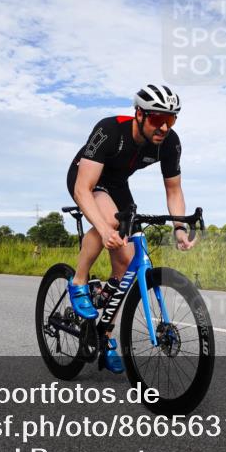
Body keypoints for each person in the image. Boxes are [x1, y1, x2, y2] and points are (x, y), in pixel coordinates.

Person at [65, 84, 197, 373]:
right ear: (138, 114)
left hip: (116, 184)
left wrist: (179, 228)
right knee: (112, 221)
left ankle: (105, 336)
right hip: (86, 178)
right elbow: (82, 189)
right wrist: (103, 228)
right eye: (156, 119)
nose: (163, 126)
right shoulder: (111, 130)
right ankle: (77, 282)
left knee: (125, 266)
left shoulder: (170, 142)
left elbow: (173, 190)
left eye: (170, 119)